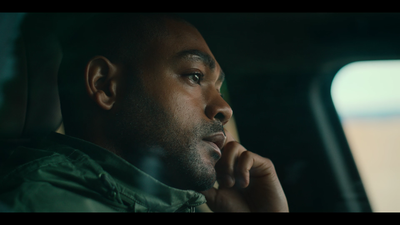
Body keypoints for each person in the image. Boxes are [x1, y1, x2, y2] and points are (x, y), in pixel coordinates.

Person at [0, 13, 288, 212]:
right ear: (106, 85)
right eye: (195, 76)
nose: (224, 108)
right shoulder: (44, 205)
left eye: (220, 90)